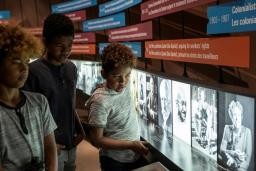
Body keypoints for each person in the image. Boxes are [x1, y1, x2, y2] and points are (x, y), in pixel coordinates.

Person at [23, 13, 82, 171]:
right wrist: (45, 144)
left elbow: (69, 103)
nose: (66, 50)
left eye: (70, 45)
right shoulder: (32, 72)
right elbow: (27, 117)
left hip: (71, 145)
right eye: (59, 45)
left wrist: (80, 131)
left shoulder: (72, 68)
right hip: (51, 149)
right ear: (45, 43)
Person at [0, 24, 57, 170]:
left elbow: (50, 148)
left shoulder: (39, 101)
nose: (24, 68)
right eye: (16, 60)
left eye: (26, 61)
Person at [85, 43, 149, 171]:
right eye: (116, 76)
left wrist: (132, 147)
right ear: (104, 74)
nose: (123, 81)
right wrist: (130, 145)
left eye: (127, 75)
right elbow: (96, 140)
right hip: (114, 161)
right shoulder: (100, 101)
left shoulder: (123, 84)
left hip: (134, 155)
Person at [219, 100, 252, 171]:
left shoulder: (247, 132)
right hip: (227, 164)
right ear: (231, 116)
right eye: (234, 115)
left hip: (240, 168)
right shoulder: (227, 128)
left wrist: (236, 165)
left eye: (239, 115)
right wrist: (233, 153)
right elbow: (221, 149)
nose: (237, 119)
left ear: (242, 116)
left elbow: (247, 161)